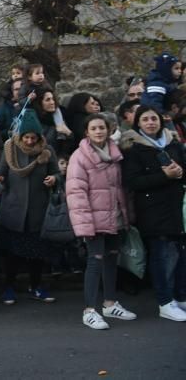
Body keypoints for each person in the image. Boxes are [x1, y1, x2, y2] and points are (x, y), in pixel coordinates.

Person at [66, 114, 136, 330]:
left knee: (111, 259)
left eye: (102, 128)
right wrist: (84, 225)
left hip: (114, 217)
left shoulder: (115, 154)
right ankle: (89, 311)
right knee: (95, 261)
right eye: (94, 128)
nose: (98, 131)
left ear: (108, 130)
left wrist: (126, 216)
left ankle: (109, 303)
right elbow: (76, 193)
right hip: (93, 219)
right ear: (87, 132)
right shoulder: (80, 157)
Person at [120, 105, 186, 321]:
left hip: (176, 208)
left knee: (180, 256)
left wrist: (180, 172)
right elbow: (133, 182)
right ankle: (165, 302)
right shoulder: (133, 149)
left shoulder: (173, 144)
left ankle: (180, 297)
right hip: (153, 211)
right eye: (146, 119)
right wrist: (164, 175)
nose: (150, 122)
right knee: (162, 257)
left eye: (154, 119)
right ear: (138, 123)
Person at [0, 113, 60, 306]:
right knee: (11, 255)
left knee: (37, 255)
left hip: (37, 210)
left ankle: (36, 286)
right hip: (12, 210)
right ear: (20, 136)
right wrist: (0, 180)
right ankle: (8, 287)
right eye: (26, 137)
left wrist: (54, 179)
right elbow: (0, 173)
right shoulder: (10, 149)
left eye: (33, 138)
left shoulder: (47, 151)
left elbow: (56, 172)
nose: (30, 141)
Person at [141, 52, 183, 116]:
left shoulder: (166, 83)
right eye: (176, 68)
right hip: (153, 115)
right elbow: (155, 102)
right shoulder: (157, 84)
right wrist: (161, 115)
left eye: (180, 68)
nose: (180, 71)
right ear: (166, 70)